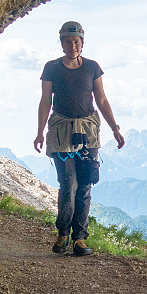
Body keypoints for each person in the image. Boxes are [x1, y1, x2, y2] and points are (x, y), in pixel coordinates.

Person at [34, 21, 125, 256]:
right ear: (62, 43)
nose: (72, 45)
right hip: (61, 131)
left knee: (84, 184)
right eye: (68, 41)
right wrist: (40, 132)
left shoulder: (92, 68)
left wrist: (115, 128)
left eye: (76, 41)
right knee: (68, 183)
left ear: (82, 43)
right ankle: (63, 234)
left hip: (88, 131)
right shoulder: (51, 68)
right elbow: (46, 101)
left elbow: (102, 100)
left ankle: (79, 239)